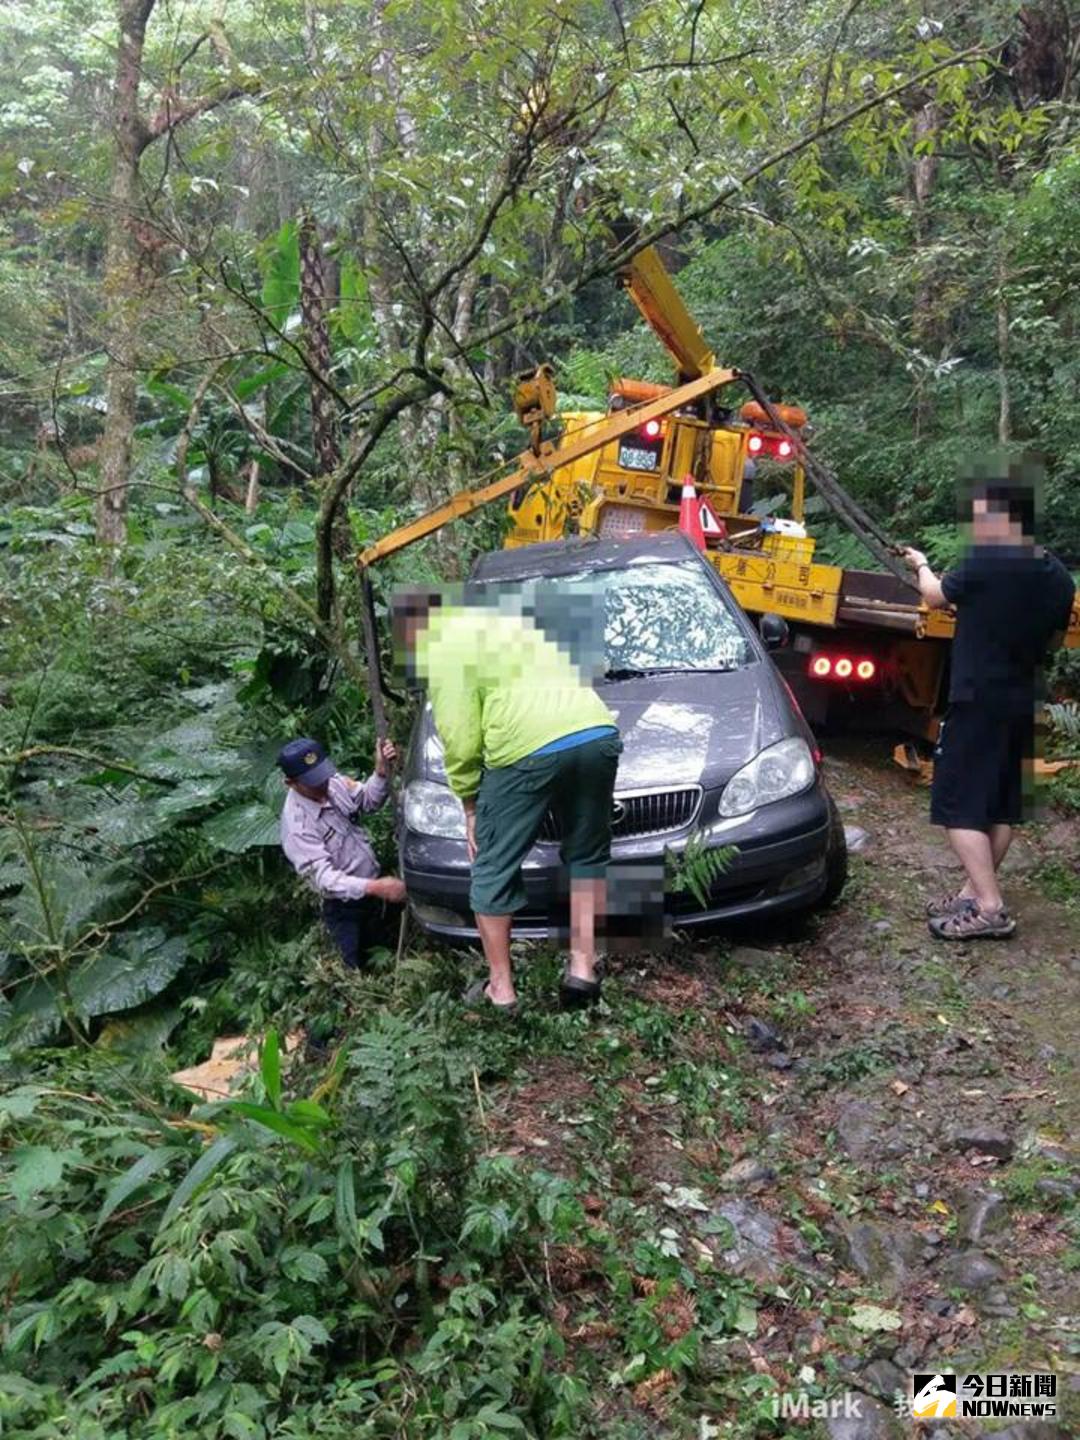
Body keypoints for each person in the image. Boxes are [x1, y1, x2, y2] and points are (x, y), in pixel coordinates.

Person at [396, 588, 622, 1012]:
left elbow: (461, 741)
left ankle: (501, 990)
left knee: (492, 865)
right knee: (587, 853)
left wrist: (468, 805)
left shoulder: (445, 651)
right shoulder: (511, 628)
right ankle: (582, 968)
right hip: (596, 731)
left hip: (526, 750)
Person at [904, 469, 1075, 940]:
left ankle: (990, 907)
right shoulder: (1058, 576)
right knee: (1003, 804)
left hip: (977, 697)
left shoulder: (985, 562)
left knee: (957, 804)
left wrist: (920, 564)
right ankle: (973, 892)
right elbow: (1056, 638)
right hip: (1024, 697)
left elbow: (936, 596)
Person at [277, 736, 406, 968]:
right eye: (312, 782)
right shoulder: (298, 826)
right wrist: (375, 887)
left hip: (375, 894)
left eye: (322, 775)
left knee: (386, 955)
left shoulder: (333, 782)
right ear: (290, 783)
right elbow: (324, 879)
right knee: (353, 967)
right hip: (344, 908)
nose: (322, 785)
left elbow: (368, 801)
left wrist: (380, 773)